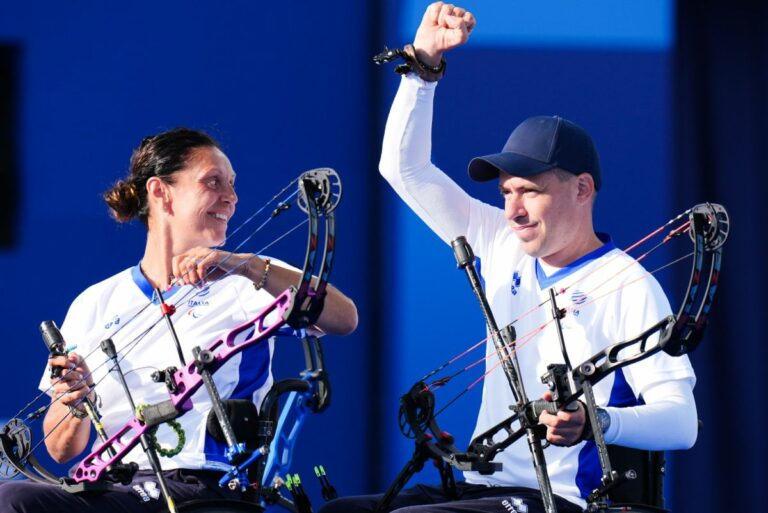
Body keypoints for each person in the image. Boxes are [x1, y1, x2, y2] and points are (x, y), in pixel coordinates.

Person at [319, 3, 697, 513]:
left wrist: (597, 420)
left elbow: (681, 421)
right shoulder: (500, 238)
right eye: (505, 192)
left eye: (530, 191)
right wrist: (423, 67)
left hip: (562, 499)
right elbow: (403, 169)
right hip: (483, 487)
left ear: (582, 189)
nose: (513, 210)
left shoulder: (630, 286)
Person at [0, 127, 358, 512]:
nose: (232, 197)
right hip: (113, 487)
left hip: (205, 487)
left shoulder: (249, 278)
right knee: (14, 498)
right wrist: (76, 401)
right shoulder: (95, 302)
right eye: (213, 181)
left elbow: (343, 318)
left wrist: (248, 266)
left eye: (233, 184)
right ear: (160, 191)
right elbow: (61, 449)